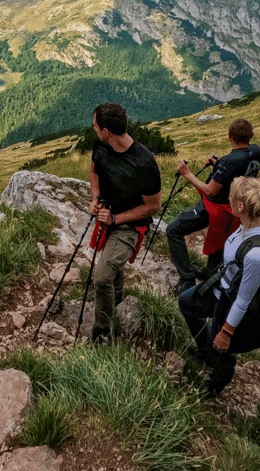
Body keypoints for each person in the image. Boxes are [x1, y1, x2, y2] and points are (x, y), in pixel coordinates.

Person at [177, 177, 260, 397]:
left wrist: (226, 332)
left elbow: (243, 299)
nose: (228, 200)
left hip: (230, 303)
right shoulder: (248, 226)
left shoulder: (258, 254)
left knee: (223, 350)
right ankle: (207, 351)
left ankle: (216, 384)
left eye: (231, 197)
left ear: (240, 206)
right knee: (186, 302)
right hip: (221, 287)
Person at [88, 103, 161, 343]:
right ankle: (116, 298)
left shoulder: (144, 163)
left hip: (130, 226)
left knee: (101, 277)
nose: (94, 128)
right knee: (111, 267)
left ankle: (102, 332)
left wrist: (116, 218)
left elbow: (153, 207)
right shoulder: (100, 145)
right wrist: (96, 198)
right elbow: (94, 172)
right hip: (108, 216)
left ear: (106, 130)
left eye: (96, 125)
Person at [166, 118, 260, 294]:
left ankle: (187, 280)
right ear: (252, 135)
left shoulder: (229, 161)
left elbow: (210, 191)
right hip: (236, 208)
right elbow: (236, 170)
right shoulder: (256, 151)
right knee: (221, 242)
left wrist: (187, 173)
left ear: (229, 135)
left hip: (217, 208)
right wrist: (217, 166)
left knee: (173, 230)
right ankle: (210, 274)